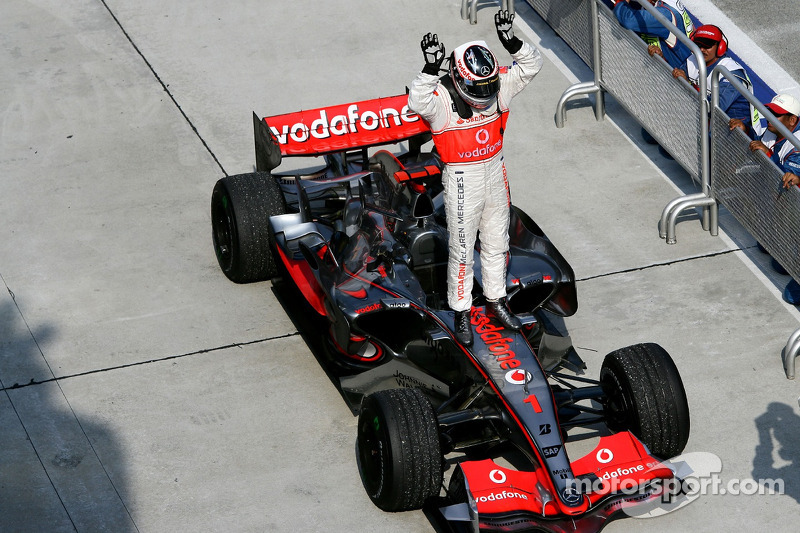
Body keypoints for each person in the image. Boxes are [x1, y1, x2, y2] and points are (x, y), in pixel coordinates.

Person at [408, 9, 543, 345]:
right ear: (458, 79)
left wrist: (512, 41)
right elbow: (416, 101)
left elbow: (531, 65)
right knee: (463, 249)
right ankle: (462, 313)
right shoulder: (441, 99)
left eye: (488, 83)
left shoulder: (498, 89)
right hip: (462, 179)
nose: (485, 92)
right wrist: (428, 67)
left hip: (496, 171)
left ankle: (497, 300)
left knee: (498, 242)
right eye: (477, 85)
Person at [732, 93, 800, 304]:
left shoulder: (797, 145)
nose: (770, 118)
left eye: (777, 115)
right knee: (770, 253)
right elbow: (755, 134)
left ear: (792, 120)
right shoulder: (773, 131)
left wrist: (767, 157)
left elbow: (784, 180)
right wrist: (744, 128)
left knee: (789, 294)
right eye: (770, 112)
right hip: (777, 209)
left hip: (793, 213)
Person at [672, 24, 759, 133]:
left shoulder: (731, 73)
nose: (702, 50)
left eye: (707, 46)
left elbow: (714, 108)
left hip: (734, 129)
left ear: (720, 47)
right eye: (698, 45)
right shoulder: (693, 59)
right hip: (708, 120)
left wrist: (686, 85)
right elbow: (677, 82)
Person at [613, 0, 694, 70]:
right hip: (677, 71)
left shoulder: (666, 14)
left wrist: (621, 1)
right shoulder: (667, 4)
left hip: (679, 81)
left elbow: (628, 20)